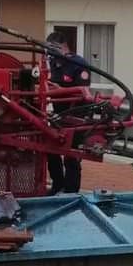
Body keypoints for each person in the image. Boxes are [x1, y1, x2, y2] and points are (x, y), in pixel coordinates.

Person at [44, 30, 91, 196]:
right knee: (51, 150)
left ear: (63, 47)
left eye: (53, 50)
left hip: (77, 117)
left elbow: (83, 93)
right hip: (59, 116)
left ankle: (71, 192)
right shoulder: (54, 63)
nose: (50, 55)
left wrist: (60, 90)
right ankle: (57, 185)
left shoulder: (79, 64)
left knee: (71, 156)